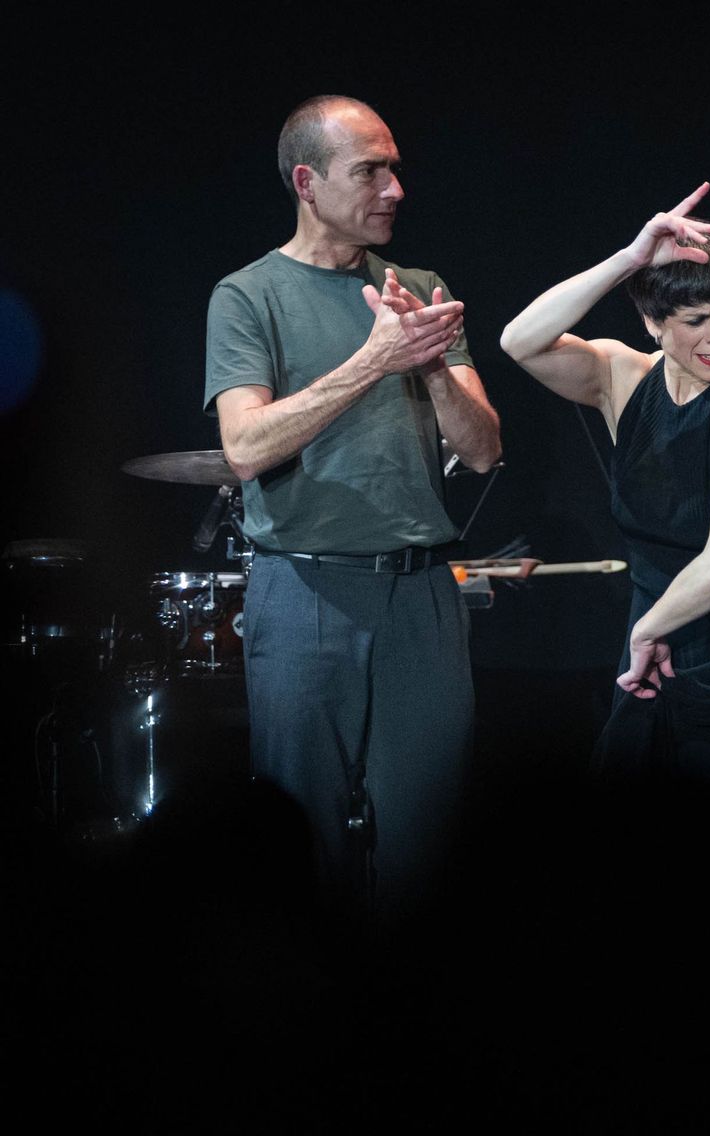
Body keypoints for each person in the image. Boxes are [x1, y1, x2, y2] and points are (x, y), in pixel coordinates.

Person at [203, 95, 502, 913]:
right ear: (307, 181)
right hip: (305, 595)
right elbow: (244, 448)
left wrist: (432, 363)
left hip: (422, 597)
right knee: (304, 844)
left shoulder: (421, 286)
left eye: (395, 167)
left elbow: (482, 451)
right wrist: (375, 360)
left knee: (429, 843)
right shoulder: (247, 295)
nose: (395, 188)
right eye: (370, 170)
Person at [500, 184, 710, 802]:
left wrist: (645, 631)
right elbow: (519, 340)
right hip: (660, 656)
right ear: (652, 323)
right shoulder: (618, 377)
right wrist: (631, 258)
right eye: (695, 319)